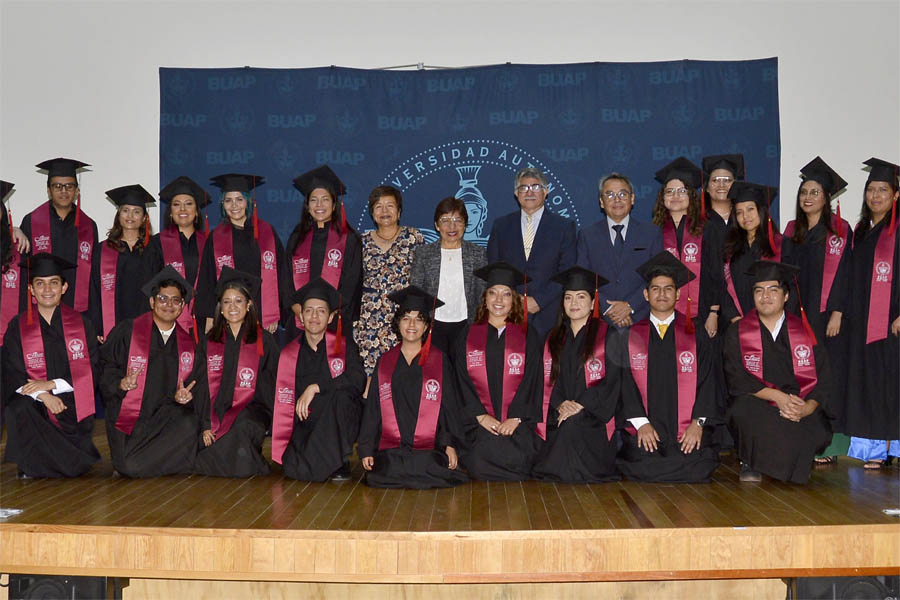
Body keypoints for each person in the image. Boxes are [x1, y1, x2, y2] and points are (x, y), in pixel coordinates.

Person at [723, 261, 833, 484]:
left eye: (773, 290)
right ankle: (752, 460)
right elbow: (735, 376)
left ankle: (780, 459)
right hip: (758, 401)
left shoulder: (805, 331)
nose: (765, 296)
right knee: (743, 412)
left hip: (797, 402)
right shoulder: (738, 330)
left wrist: (806, 408)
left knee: (817, 429)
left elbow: (824, 377)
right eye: (759, 291)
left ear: (786, 296)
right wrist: (777, 397)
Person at [617, 252, 721, 483]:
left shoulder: (696, 334)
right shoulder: (631, 336)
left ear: (678, 294)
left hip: (686, 430)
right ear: (646, 294)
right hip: (647, 430)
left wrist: (697, 423)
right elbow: (625, 385)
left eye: (668, 288)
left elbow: (708, 380)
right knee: (639, 460)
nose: (662, 294)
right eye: (655, 288)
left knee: (699, 462)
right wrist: (641, 424)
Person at [358, 285, 469, 489]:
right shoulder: (385, 362)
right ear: (398, 323)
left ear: (426, 326)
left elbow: (448, 408)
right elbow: (373, 410)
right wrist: (366, 449)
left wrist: (449, 444)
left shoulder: (440, 360)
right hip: (392, 447)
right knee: (385, 470)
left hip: (429, 447)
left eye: (419, 319)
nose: (412, 324)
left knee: (427, 465)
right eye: (406, 318)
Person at [2, 253, 100, 478]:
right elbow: (12, 370)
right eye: (40, 284)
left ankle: (51, 462)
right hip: (35, 402)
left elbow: (92, 369)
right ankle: (39, 463)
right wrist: (44, 395)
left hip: (69, 399)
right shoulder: (17, 326)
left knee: (74, 416)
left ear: (64, 287)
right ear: (31, 290)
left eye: (54, 283)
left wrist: (52, 385)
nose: (47, 289)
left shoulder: (82, 324)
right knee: (19, 408)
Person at [781, 157, 852, 464]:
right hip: (796, 314)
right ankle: (799, 439)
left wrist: (836, 312)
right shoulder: (792, 230)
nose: (807, 197)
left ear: (827, 197)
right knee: (798, 374)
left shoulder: (839, 230)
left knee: (825, 376)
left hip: (824, 318)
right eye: (803, 192)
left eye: (814, 192)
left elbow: (845, 274)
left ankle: (827, 445)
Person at [99, 266, 199, 477]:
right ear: (152, 302)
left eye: (176, 301)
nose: (169, 305)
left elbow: (195, 386)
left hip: (165, 420)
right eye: (162, 299)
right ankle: (166, 462)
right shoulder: (128, 331)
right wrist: (121, 383)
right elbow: (105, 368)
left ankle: (148, 463)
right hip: (130, 420)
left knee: (190, 422)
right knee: (129, 466)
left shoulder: (188, 344)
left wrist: (186, 397)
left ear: (182, 307)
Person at [531, 266, 624, 483]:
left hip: (594, 416)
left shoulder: (608, 337)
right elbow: (543, 380)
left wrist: (580, 405)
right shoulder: (551, 338)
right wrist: (561, 403)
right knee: (564, 425)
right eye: (568, 297)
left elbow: (612, 383)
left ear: (593, 303)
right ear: (562, 304)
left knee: (573, 425)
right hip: (558, 412)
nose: (574, 303)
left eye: (581, 297)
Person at [272, 278, 366, 482]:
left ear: (331, 317)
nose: (314, 316)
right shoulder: (289, 353)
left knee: (341, 397)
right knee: (292, 466)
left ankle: (339, 460)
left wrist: (316, 387)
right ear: (301, 317)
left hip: (339, 420)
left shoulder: (344, 346)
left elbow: (358, 380)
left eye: (321, 311)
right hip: (307, 421)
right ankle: (324, 460)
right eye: (309, 310)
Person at [454, 262, 542, 481]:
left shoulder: (528, 335)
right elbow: (460, 380)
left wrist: (516, 417)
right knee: (479, 458)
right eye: (493, 293)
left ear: (515, 300)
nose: (499, 300)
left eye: (506, 294)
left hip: (517, 423)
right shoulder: (468, 335)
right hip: (479, 422)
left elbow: (534, 379)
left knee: (518, 457)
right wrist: (480, 415)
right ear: (484, 298)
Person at [192, 267, 277, 477]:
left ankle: (210, 461)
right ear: (220, 308)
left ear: (248, 305)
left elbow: (273, 385)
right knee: (201, 435)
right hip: (215, 413)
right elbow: (201, 385)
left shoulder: (264, 341)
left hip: (252, 412)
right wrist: (205, 424)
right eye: (227, 301)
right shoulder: (209, 342)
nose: (232, 307)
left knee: (242, 426)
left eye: (238, 301)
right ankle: (243, 461)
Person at [844, 158, 900, 469]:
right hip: (864, 321)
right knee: (871, 383)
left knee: (893, 383)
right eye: (871, 189)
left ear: (896, 195)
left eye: (883, 189)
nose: (875, 195)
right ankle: (875, 449)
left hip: (893, 321)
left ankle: (895, 447)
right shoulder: (862, 230)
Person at [487, 167, 577, 337]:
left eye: (535, 187)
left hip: (549, 313)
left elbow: (567, 271)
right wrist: (513, 300)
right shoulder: (501, 226)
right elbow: (495, 269)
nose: (529, 192)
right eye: (523, 188)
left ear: (546, 191)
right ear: (516, 192)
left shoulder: (564, 227)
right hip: (510, 311)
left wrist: (539, 301)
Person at [196, 173, 283, 334]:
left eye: (239, 199)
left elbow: (282, 274)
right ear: (223, 204)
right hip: (228, 314)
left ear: (248, 201)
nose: (234, 205)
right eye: (228, 200)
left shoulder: (267, 232)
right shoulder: (216, 237)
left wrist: (274, 314)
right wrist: (209, 316)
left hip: (262, 313)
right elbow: (207, 280)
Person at [283, 165, 362, 340]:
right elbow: (286, 279)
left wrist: (330, 312)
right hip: (300, 321)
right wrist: (298, 309)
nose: (319, 205)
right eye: (313, 200)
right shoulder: (297, 238)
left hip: (335, 319)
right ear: (307, 205)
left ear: (334, 205)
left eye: (325, 199)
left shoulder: (349, 239)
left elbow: (351, 284)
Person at [577, 172, 663, 329]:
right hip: (600, 320)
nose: (617, 199)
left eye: (623, 194)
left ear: (632, 199)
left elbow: (656, 277)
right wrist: (609, 309)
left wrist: (630, 306)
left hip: (641, 318)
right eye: (609, 195)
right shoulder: (587, 235)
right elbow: (583, 278)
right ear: (601, 202)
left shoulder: (651, 234)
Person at [354, 185, 424, 375]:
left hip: (404, 319)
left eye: (390, 205)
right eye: (378, 206)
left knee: (403, 373)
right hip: (369, 320)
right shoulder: (361, 241)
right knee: (370, 376)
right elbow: (353, 283)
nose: (384, 211)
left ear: (399, 211)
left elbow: (422, 279)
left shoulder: (413, 237)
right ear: (372, 213)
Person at [409, 196, 486, 354]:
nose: (452, 226)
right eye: (445, 220)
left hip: (466, 325)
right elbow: (416, 290)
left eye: (458, 220)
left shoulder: (477, 254)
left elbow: (482, 294)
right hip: (433, 325)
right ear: (437, 225)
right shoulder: (424, 254)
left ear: (465, 224)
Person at [19, 158, 98, 312]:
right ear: (49, 190)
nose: (64, 191)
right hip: (40, 308)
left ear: (77, 190)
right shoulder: (31, 221)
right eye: (57, 186)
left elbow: (94, 277)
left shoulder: (88, 225)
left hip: (78, 309)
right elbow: (24, 269)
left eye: (69, 186)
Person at [143, 176, 211, 337]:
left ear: (196, 211)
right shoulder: (156, 243)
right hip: (166, 318)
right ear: (171, 212)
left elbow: (213, 282)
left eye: (188, 204)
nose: (182, 209)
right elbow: (149, 283)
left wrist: (211, 314)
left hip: (203, 321)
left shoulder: (210, 243)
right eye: (176, 204)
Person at [90, 185, 154, 340]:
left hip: (147, 321)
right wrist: (97, 326)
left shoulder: (153, 248)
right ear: (118, 214)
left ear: (144, 217)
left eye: (136, 211)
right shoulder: (103, 249)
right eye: (125, 210)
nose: (130, 216)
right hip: (113, 322)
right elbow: (94, 289)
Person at [719, 182, 789, 323]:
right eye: (739, 212)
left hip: (771, 321)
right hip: (736, 321)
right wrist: (733, 316)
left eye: (750, 209)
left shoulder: (781, 244)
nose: (745, 216)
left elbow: (789, 287)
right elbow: (722, 285)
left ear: (761, 210)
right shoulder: (730, 247)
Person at [701, 153, 745, 240]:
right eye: (715, 180)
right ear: (707, 188)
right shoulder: (697, 221)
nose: (721, 185)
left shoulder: (746, 218)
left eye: (727, 180)